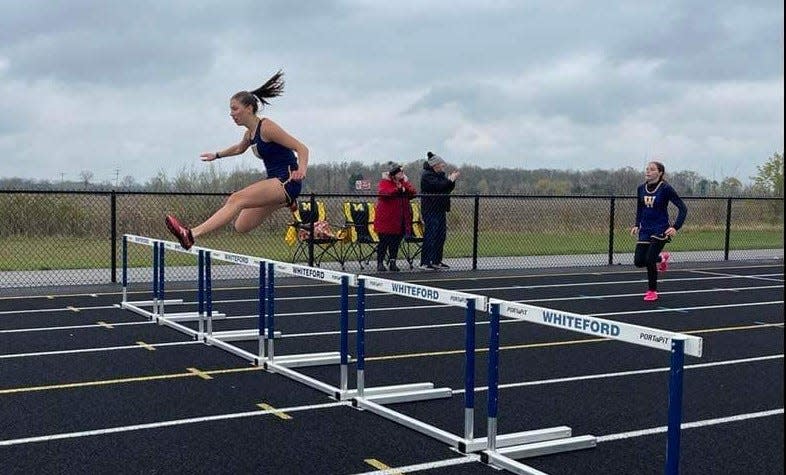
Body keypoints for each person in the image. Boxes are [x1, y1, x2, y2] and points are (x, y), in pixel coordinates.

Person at [165, 70, 308, 250]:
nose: (231, 114)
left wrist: (301, 170)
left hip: (286, 180)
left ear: (249, 108)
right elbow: (239, 149)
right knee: (241, 226)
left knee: (236, 199)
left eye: (235, 109)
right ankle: (285, 202)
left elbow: (302, 148)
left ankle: (191, 234)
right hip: (274, 184)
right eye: (230, 110)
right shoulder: (250, 133)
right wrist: (216, 155)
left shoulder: (267, 127)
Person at [630, 161, 687, 301]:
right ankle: (662, 258)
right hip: (646, 229)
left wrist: (675, 227)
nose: (648, 172)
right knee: (639, 261)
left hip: (660, 228)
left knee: (649, 260)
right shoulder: (641, 188)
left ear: (660, 172)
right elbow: (640, 208)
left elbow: (683, 208)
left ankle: (652, 291)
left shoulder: (665, 188)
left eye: (652, 169)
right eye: (647, 169)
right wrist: (637, 224)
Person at [373, 161, 417, 272]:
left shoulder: (404, 182)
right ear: (394, 174)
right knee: (384, 241)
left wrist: (404, 189)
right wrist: (397, 190)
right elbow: (384, 193)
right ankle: (380, 262)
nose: (402, 173)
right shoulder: (385, 182)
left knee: (395, 242)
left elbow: (413, 192)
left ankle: (393, 261)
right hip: (386, 218)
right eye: (400, 172)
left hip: (401, 218)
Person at [419, 151, 459, 270]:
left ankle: (437, 260)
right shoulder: (427, 176)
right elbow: (439, 186)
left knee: (441, 235)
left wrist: (452, 180)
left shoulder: (440, 175)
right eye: (441, 164)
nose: (443, 166)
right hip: (430, 209)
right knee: (431, 235)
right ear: (435, 165)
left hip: (441, 209)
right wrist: (449, 180)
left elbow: (446, 188)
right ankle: (425, 262)